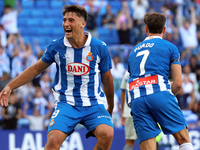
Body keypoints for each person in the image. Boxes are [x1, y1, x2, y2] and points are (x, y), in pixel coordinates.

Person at [0, 5, 114, 150]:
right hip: (66, 103)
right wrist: (10, 86)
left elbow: (108, 79)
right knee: (53, 141)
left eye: (71, 20)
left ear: (83, 24)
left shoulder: (99, 47)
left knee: (108, 134)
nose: (66, 24)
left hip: (93, 103)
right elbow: (35, 69)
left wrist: (110, 106)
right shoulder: (57, 46)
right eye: (64, 20)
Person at [127, 12, 193, 150]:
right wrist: (167, 98)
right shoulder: (170, 47)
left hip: (136, 98)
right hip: (159, 92)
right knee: (184, 140)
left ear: (146, 29)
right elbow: (178, 83)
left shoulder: (133, 51)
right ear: (164, 29)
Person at [120, 70, 137, 150]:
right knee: (147, 140)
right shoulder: (148, 67)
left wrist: (123, 113)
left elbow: (123, 93)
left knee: (129, 142)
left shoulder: (128, 73)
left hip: (129, 111)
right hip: (145, 110)